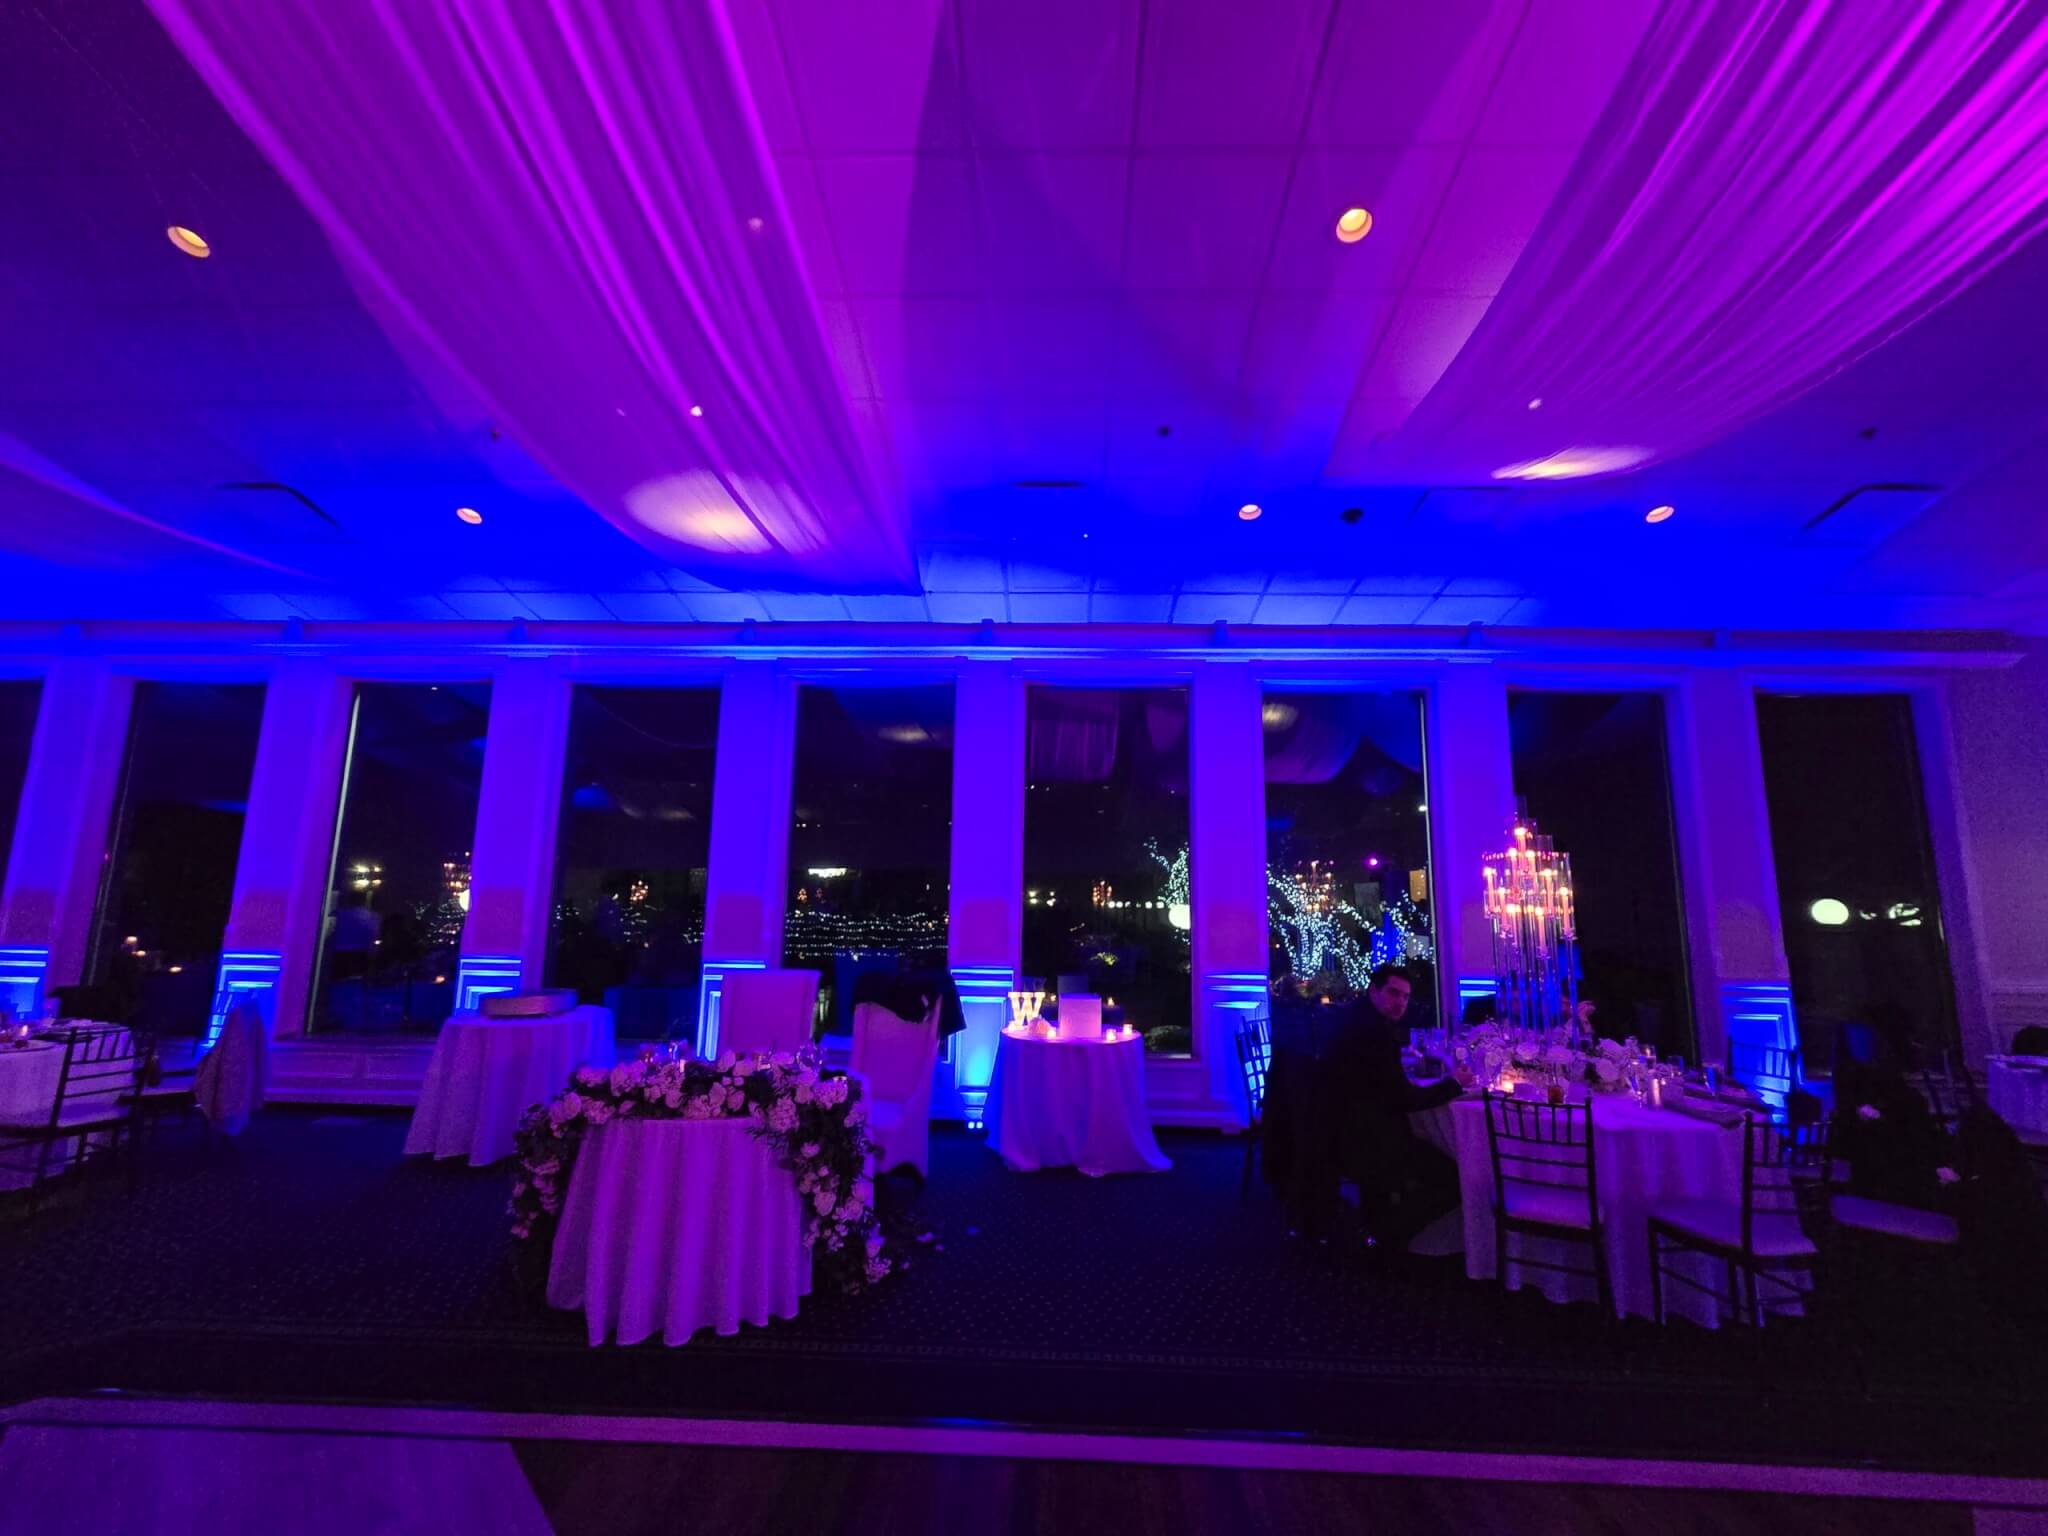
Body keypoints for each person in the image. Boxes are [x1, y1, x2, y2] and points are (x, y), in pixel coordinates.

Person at [1315, 964, 1464, 1255]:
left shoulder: (1356, 1017)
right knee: (1456, 1174)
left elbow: (1378, 1079)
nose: (1400, 1003)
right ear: (1374, 990)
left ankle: (1380, 1225)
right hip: (1365, 1141)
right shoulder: (1373, 1032)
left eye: (1406, 997)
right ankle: (1389, 1235)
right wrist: (1454, 1084)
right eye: (1394, 993)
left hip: (1337, 1129)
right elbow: (1404, 1099)